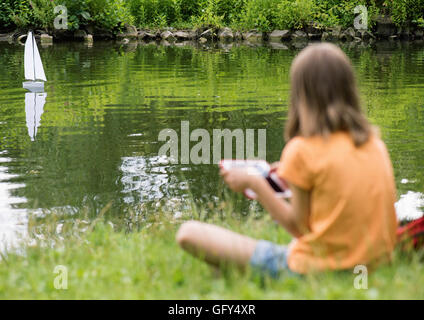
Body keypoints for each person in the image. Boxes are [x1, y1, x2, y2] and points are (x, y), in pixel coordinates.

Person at [176, 43, 398, 277]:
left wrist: (256, 184)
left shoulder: (301, 150)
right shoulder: (375, 145)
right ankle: (232, 275)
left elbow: (298, 228)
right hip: (374, 265)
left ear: (301, 96)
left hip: (321, 270)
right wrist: (294, 177)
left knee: (189, 233)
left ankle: (234, 276)